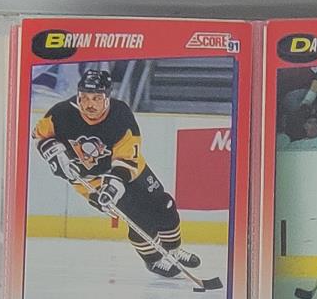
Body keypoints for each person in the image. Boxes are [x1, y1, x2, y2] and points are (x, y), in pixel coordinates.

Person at [33, 68, 203, 282]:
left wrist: (114, 186)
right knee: (138, 219)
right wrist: (53, 152)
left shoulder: (120, 114)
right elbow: (39, 135)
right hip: (92, 181)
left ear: (107, 97)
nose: (89, 104)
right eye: (84, 97)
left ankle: (173, 250)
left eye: (96, 98)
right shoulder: (61, 113)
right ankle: (153, 260)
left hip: (131, 170)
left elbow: (126, 157)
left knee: (165, 205)